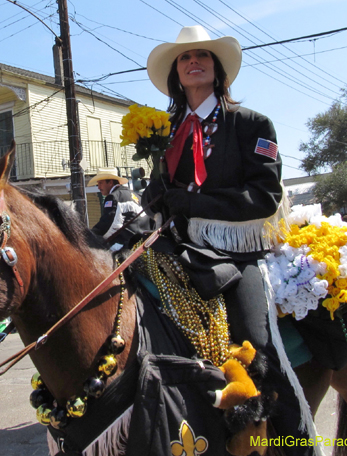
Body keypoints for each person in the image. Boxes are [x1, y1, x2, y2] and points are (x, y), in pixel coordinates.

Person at [142, 25, 311, 452]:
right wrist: (155, 194)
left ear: (217, 70)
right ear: (176, 74)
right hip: (177, 251)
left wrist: (192, 203)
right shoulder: (168, 131)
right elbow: (165, 197)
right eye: (184, 57)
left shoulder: (251, 123)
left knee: (261, 346)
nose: (193, 61)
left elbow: (265, 196)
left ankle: (299, 442)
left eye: (202, 55)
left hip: (237, 256)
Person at [88, 168, 150, 250]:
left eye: (100, 183)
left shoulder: (113, 197)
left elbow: (107, 222)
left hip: (126, 245)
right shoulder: (136, 195)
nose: (98, 187)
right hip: (145, 241)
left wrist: (90, 235)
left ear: (110, 182)